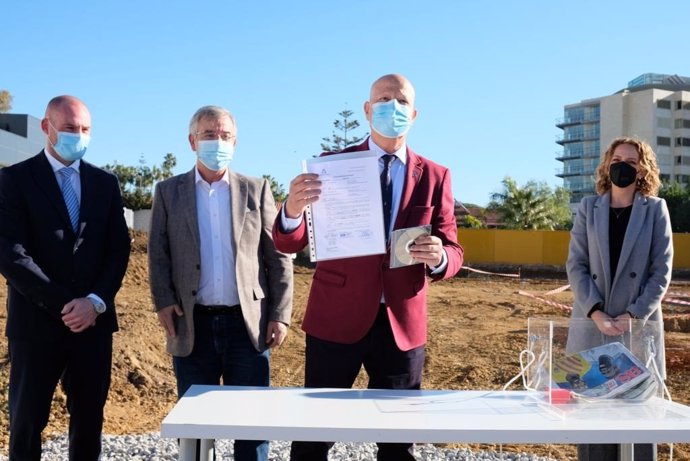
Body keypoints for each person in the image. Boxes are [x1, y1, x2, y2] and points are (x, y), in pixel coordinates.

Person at [273, 74, 464, 461]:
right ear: (366, 109)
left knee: (398, 443)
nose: (391, 107)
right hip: (336, 319)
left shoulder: (435, 175)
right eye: (382, 99)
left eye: (400, 101)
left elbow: (454, 250)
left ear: (414, 114)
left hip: (402, 327)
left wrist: (439, 256)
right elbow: (287, 241)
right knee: (313, 436)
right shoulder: (330, 167)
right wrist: (292, 210)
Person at [148, 105, 293, 461]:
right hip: (192, 323)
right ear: (192, 141)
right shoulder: (168, 192)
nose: (217, 142)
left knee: (252, 425)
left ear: (235, 141)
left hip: (248, 326)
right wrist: (163, 301)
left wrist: (280, 313)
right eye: (209, 135)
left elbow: (278, 257)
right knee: (197, 430)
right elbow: (158, 253)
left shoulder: (256, 189)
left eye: (225, 136)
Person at [0, 95, 131, 460]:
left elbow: (118, 251)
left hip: (93, 325)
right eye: (71, 128)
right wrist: (65, 305)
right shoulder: (14, 180)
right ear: (47, 127)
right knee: (26, 422)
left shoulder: (105, 184)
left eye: (85, 129)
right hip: (36, 325)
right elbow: (11, 254)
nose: (79, 135)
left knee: (89, 422)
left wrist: (94, 302)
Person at [566, 136, 673, 461]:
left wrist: (634, 314)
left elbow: (661, 270)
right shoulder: (588, 208)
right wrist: (595, 311)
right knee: (592, 425)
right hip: (592, 326)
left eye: (630, 162)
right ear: (606, 166)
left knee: (638, 427)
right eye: (616, 161)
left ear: (642, 169)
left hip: (638, 328)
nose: (622, 167)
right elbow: (576, 264)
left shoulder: (655, 210)